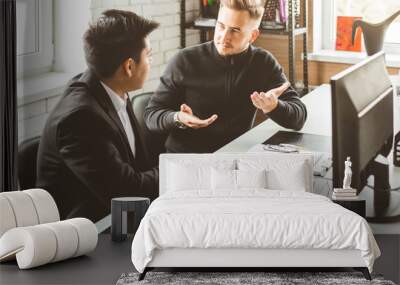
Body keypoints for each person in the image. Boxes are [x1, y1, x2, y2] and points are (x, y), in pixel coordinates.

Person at [36, 10, 159, 222]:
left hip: (116, 215)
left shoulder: (112, 86)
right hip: (85, 230)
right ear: (128, 67)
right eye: (148, 55)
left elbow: (138, 165)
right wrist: (176, 174)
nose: (150, 62)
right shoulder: (80, 119)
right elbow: (127, 193)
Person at [144, 0, 307, 153]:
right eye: (221, 26)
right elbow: (151, 115)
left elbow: (298, 117)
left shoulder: (263, 62)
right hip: (186, 160)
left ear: (253, 36)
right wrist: (177, 117)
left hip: (233, 158)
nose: (224, 37)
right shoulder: (184, 60)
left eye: (235, 30)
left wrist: (274, 106)